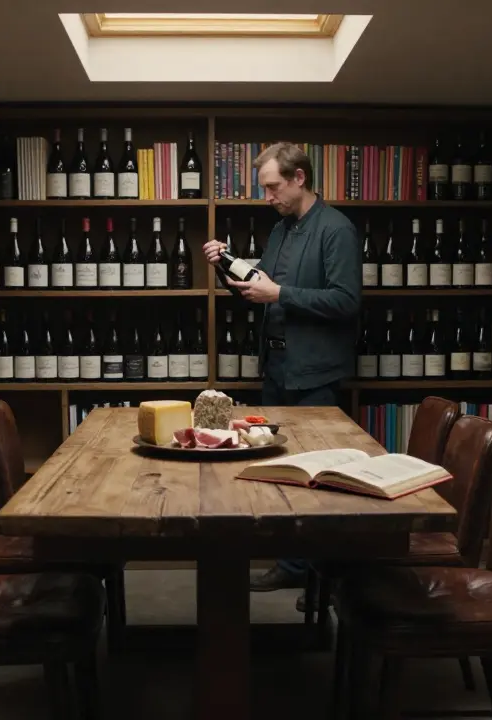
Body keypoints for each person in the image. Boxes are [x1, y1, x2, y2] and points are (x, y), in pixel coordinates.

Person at [203, 142, 361, 594]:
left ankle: (317, 573)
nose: (267, 197)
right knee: (281, 470)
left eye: (273, 187)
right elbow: (259, 288)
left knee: (317, 477)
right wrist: (224, 266)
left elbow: (347, 302)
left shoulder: (336, 229)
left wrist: (281, 295)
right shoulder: (281, 230)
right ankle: (294, 566)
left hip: (314, 374)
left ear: (298, 178)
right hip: (276, 369)